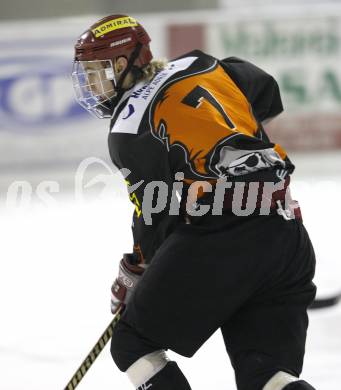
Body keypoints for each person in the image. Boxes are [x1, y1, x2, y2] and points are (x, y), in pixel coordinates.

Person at [72, 14, 317, 390]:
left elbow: (154, 216)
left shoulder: (128, 124)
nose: (91, 84)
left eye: (95, 72)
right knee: (264, 375)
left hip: (227, 231)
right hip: (285, 231)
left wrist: (136, 273)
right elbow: (264, 88)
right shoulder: (201, 62)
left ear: (122, 64)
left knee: (132, 343)